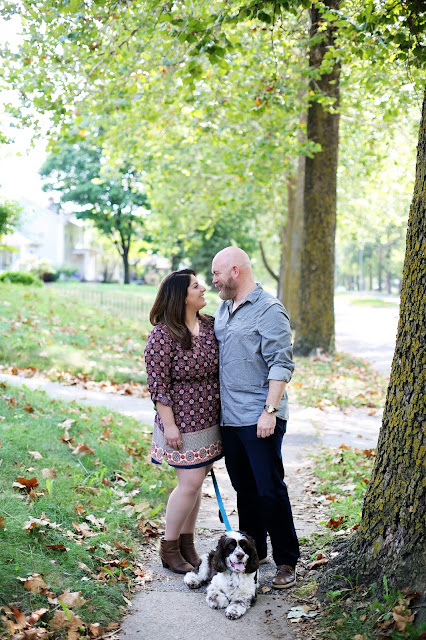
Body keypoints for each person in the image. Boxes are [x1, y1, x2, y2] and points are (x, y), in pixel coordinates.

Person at [212, 246, 300, 589]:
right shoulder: (223, 309)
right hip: (231, 420)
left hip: (261, 416)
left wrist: (270, 412)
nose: (214, 280)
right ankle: (254, 553)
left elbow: (282, 362)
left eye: (217, 273)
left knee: (269, 490)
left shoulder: (269, 309)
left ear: (235, 271)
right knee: (245, 490)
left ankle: (287, 561)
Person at [144, 269, 222, 574]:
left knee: (196, 484)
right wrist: (171, 426)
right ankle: (169, 547)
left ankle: (188, 545)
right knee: (188, 483)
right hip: (181, 421)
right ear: (181, 296)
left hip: (209, 419)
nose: (203, 288)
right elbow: (158, 386)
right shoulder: (162, 335)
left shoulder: (210, 325)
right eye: (196, 286)